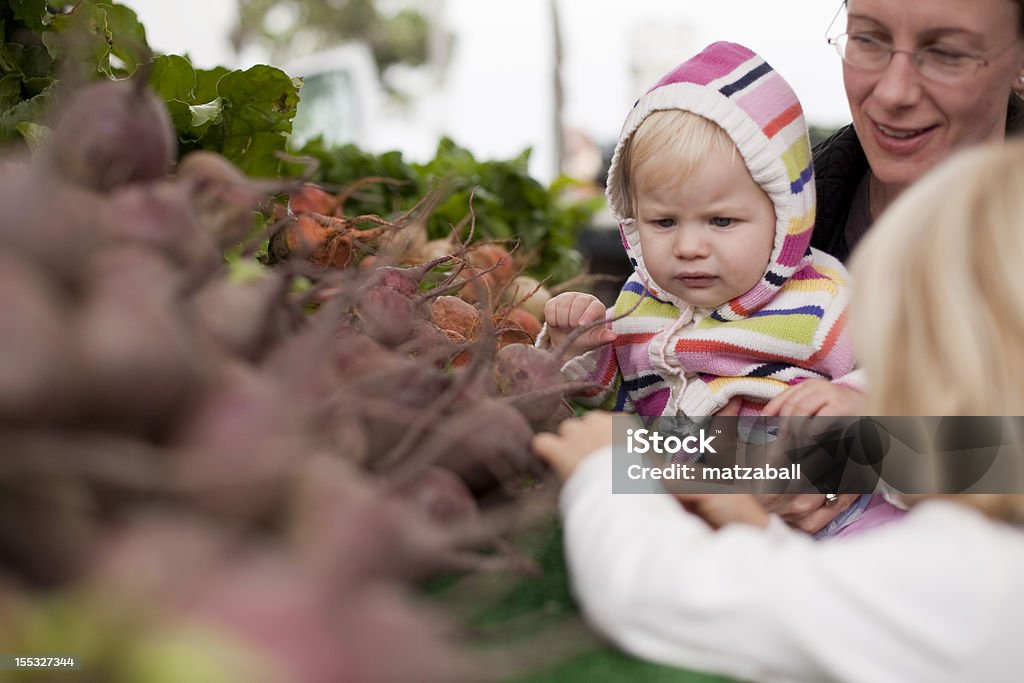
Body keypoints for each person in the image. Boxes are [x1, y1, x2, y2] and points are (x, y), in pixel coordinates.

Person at [532, 138, 1024, 683]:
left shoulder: (976, 587)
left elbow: (666, 593)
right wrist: (761, 514)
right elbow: (967, 455)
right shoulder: (983, 472)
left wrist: (617, 468)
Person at [540, 41, 899, 537]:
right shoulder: (637, 305)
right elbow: (605, 399)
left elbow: (898, 374)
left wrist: (863, 413)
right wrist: (572, 345)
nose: (689, 246)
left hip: (827, 526)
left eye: (722, 221)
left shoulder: (820, 302)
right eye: (663, 221)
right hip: (690, 517)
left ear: (783, 219)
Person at [768, 0, 1024, 533]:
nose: (892, 91)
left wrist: (879, 450)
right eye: (868, 39)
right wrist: (738, 470)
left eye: (947, 53)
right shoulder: (768, 216)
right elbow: (654, 432)